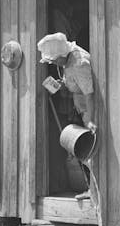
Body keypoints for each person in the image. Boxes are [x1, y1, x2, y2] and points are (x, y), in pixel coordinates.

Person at [37, 32, 99, 204]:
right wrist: (62, 84)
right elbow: (75, 82)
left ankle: (94, 191)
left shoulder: (80, 63)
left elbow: (89, 94)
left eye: (54, 60)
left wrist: (91, 119)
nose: (54, 63)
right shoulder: (68, 59)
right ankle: (90, 189)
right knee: (82, 150)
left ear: (62, 55)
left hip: (88, 109)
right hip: (79, 106)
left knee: (88, 149)